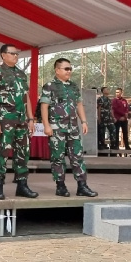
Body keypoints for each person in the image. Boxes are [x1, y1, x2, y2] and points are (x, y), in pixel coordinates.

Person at [40, 58, 98, 197]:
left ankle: (82, 186)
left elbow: (78, 104)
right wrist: (46, 125)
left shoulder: (73, 86)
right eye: (66, 69)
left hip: (73, 127)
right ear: (57, 70)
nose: (69, 71)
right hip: (57, 128)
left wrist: (84, 121)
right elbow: (44, 106)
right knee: (57, 157)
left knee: (77, 156)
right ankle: (60, 186)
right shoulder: (49, 86)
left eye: (70, 69)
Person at [0, 44, 38, 200]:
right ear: (3, 55)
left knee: (23, 152)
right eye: (12, 53)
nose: (16, 56)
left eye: (17, 54)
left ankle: (22, 185)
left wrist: (31, 118)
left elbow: (26, 97)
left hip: (22, 119)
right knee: (2, 152)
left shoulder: (21, 74)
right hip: (5, 119)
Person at [97, 87, 117, 154]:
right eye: (106, 89)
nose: (107, 91)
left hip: (109, 117)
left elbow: (111, 109)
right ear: (103, 91)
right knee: (102, 131)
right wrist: (99, 118)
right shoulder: (100, 99)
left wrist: (113, 117)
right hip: (103, 116)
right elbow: (99, 109)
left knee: (113, 129)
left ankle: (113, 144)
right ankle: (102, 144)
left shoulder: (109, 100)